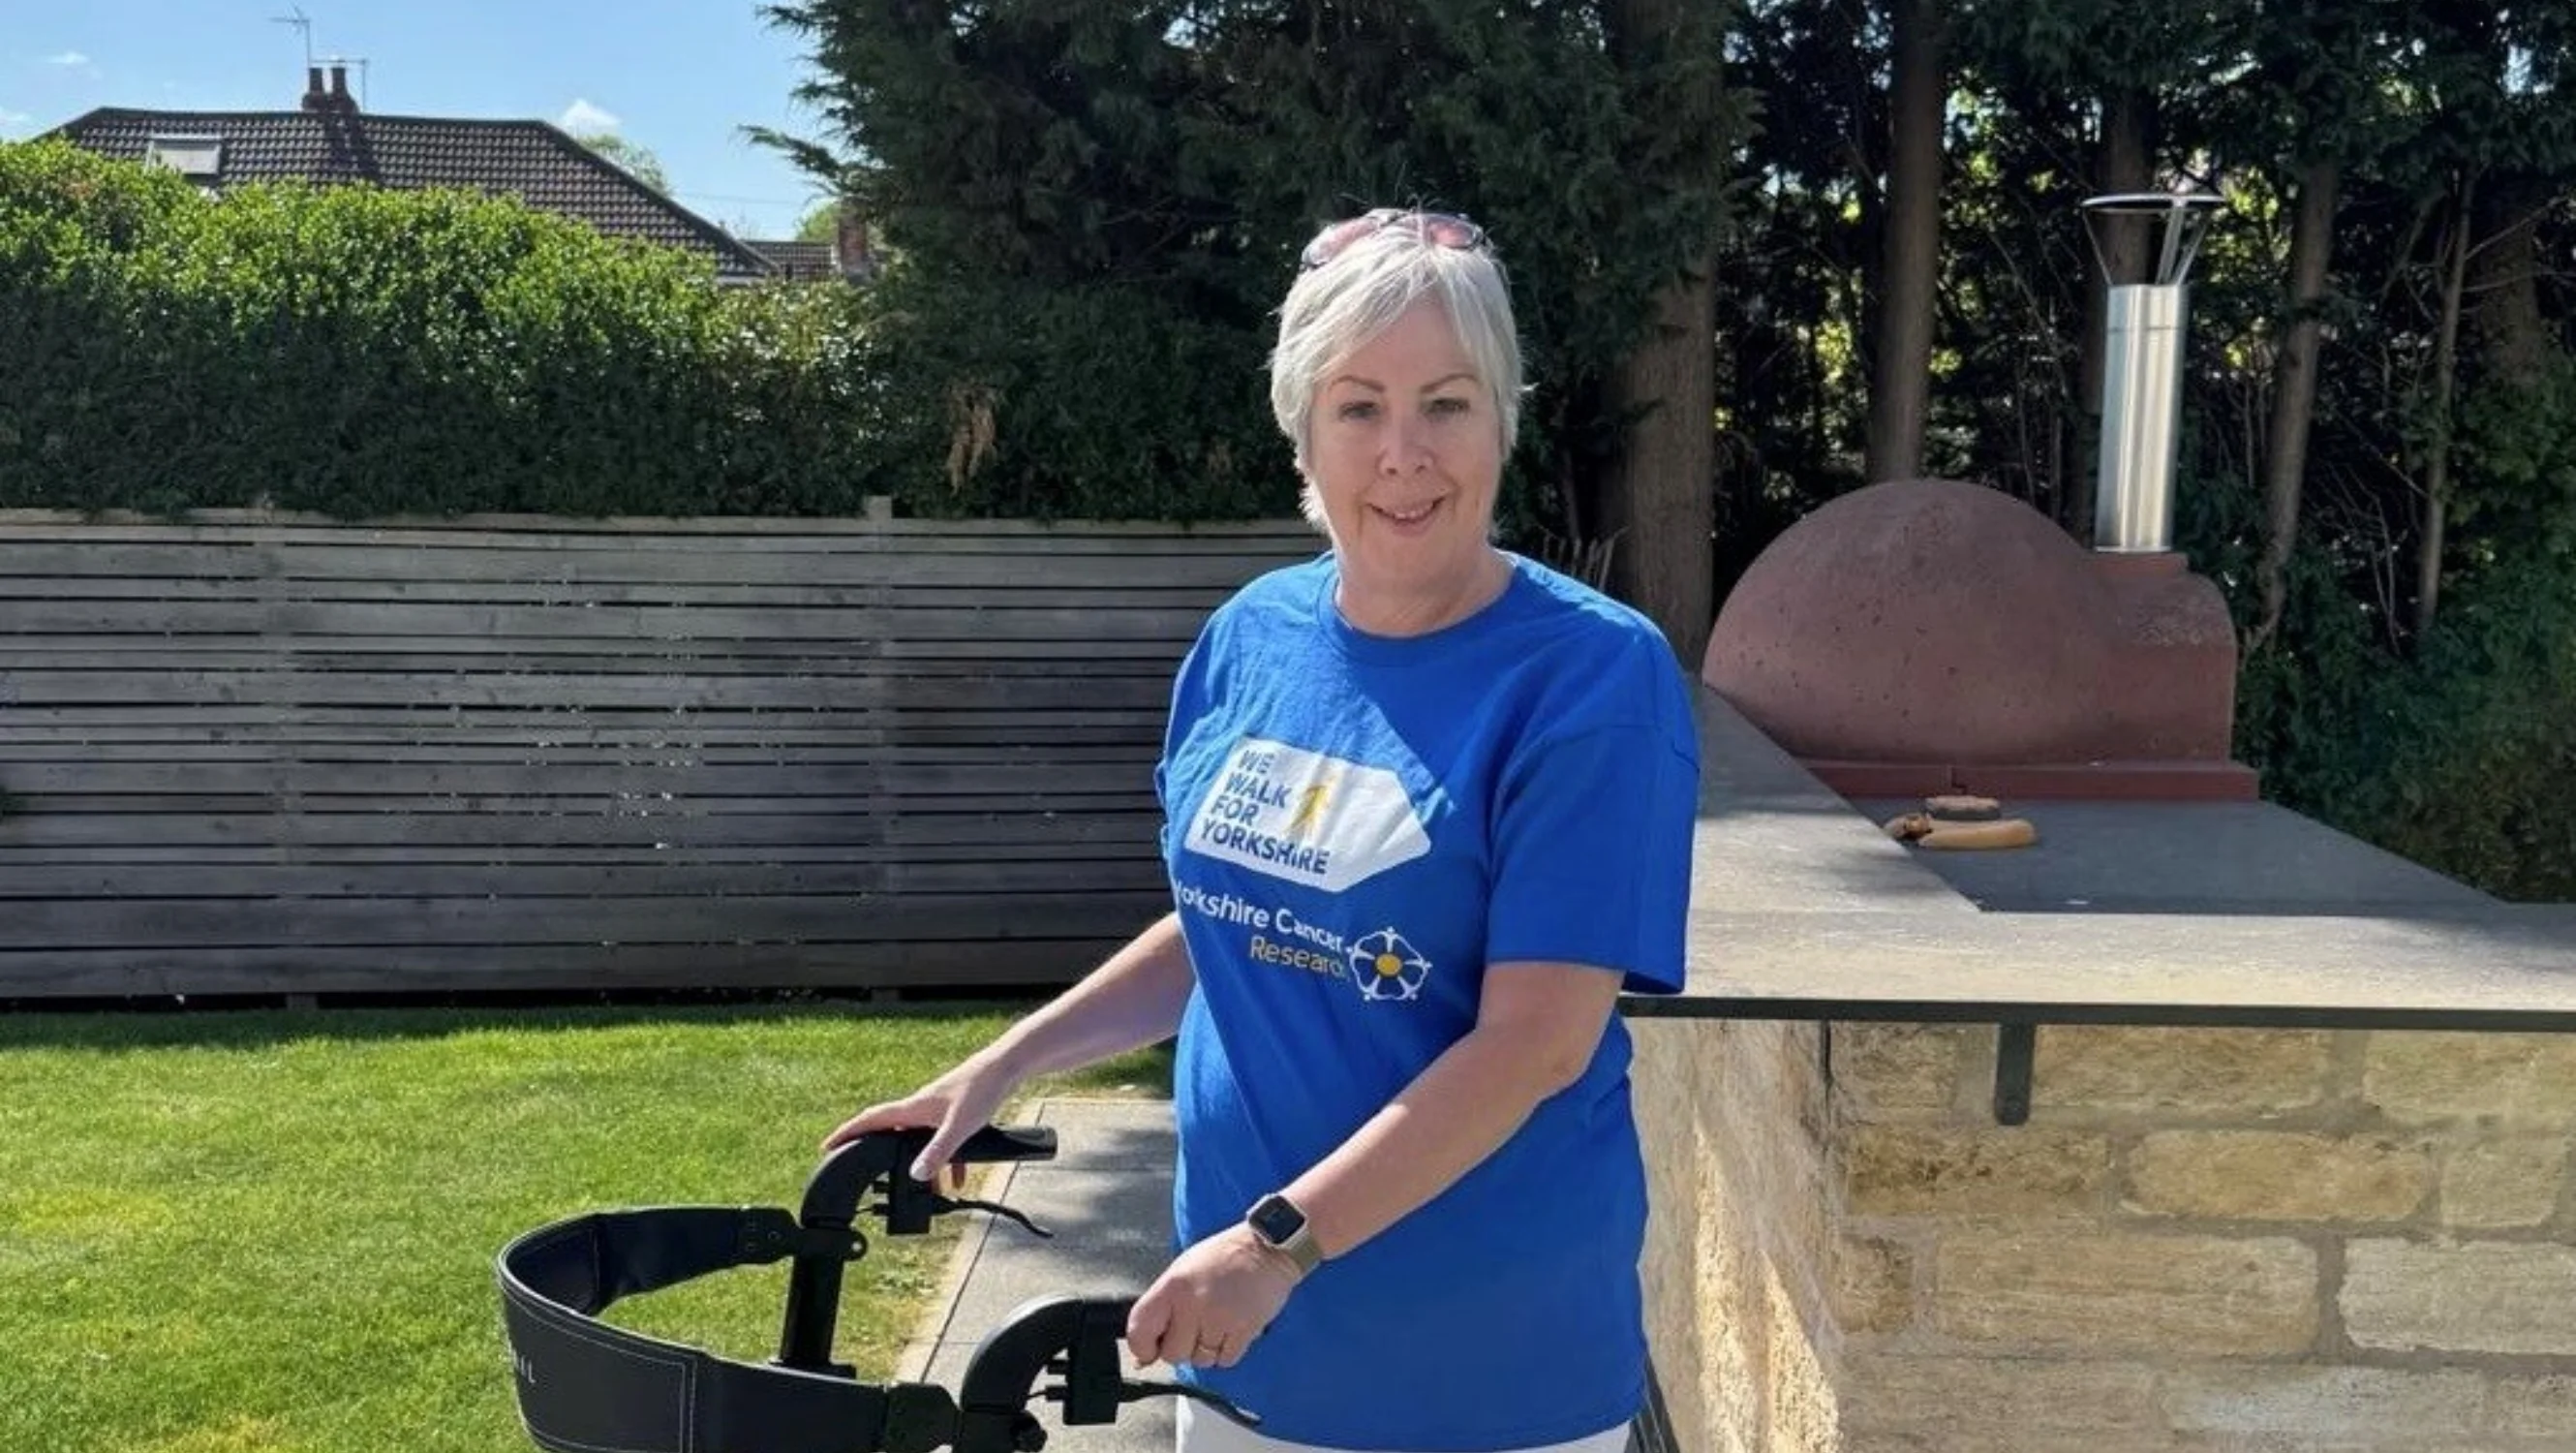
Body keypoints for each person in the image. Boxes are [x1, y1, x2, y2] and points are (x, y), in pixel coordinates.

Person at [825, 208, 1700, 1453]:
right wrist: (1005, 1062)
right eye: (1358, 407)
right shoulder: (1250, 638)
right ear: (1302, 427)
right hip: (1245, 1345)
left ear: (1503, 415)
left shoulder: (1589, 680)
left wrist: (1277, 1241)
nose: (1403, 455)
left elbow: (1536, 1046)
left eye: (1446, 403)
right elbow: (1229, 926)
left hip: (1485, 1371)